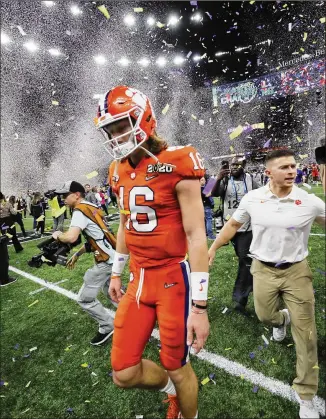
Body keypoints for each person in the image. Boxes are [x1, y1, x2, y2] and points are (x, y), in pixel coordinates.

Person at [95, 85, 210, 419]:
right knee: (124, 372)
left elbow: (196, 235)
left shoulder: (177, 160)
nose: (115, 135)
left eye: (121, 125)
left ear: (143, 117)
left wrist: (199, 308)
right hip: (138, 280)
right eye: (110, 129)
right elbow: (124, 224)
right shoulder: (116, 170)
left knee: (177, 365)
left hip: (172, 279)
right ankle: (169, 390)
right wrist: (116, 271)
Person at [208, 149, 325, 419]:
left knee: (307, 335)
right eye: (284, 167)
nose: (292, 170)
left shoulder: (308, 201)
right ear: (268, 172)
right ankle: (281, 320)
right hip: (262, 269)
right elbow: (232, 225)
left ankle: (306, 397)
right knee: (265, 316)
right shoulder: (253, 198)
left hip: (297, 271)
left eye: (293, 166)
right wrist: (213, 247)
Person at [52, 181, 116, 346]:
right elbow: (95, 237)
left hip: (106, 259)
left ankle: (108, 326)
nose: (63, 199)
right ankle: (136, 314)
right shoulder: (91, 206)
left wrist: (57, 234)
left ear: (77, 194)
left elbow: (71, 237)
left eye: (65, 195)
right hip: (113, 254)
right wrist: (77, 254)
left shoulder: (79, 210)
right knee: (111, 291)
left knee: (84, 299)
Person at [210, 155, 259, 312]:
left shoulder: (252, 179)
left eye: (238, 164)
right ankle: (253, 286)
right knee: (245, 259)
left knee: (245, 260)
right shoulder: (222, 177)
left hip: (247, 227)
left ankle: (241, 298)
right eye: (232, 164)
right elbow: (207, 192)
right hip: (228, 227)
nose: (234, 167)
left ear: (244, 165)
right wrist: (217, 178)